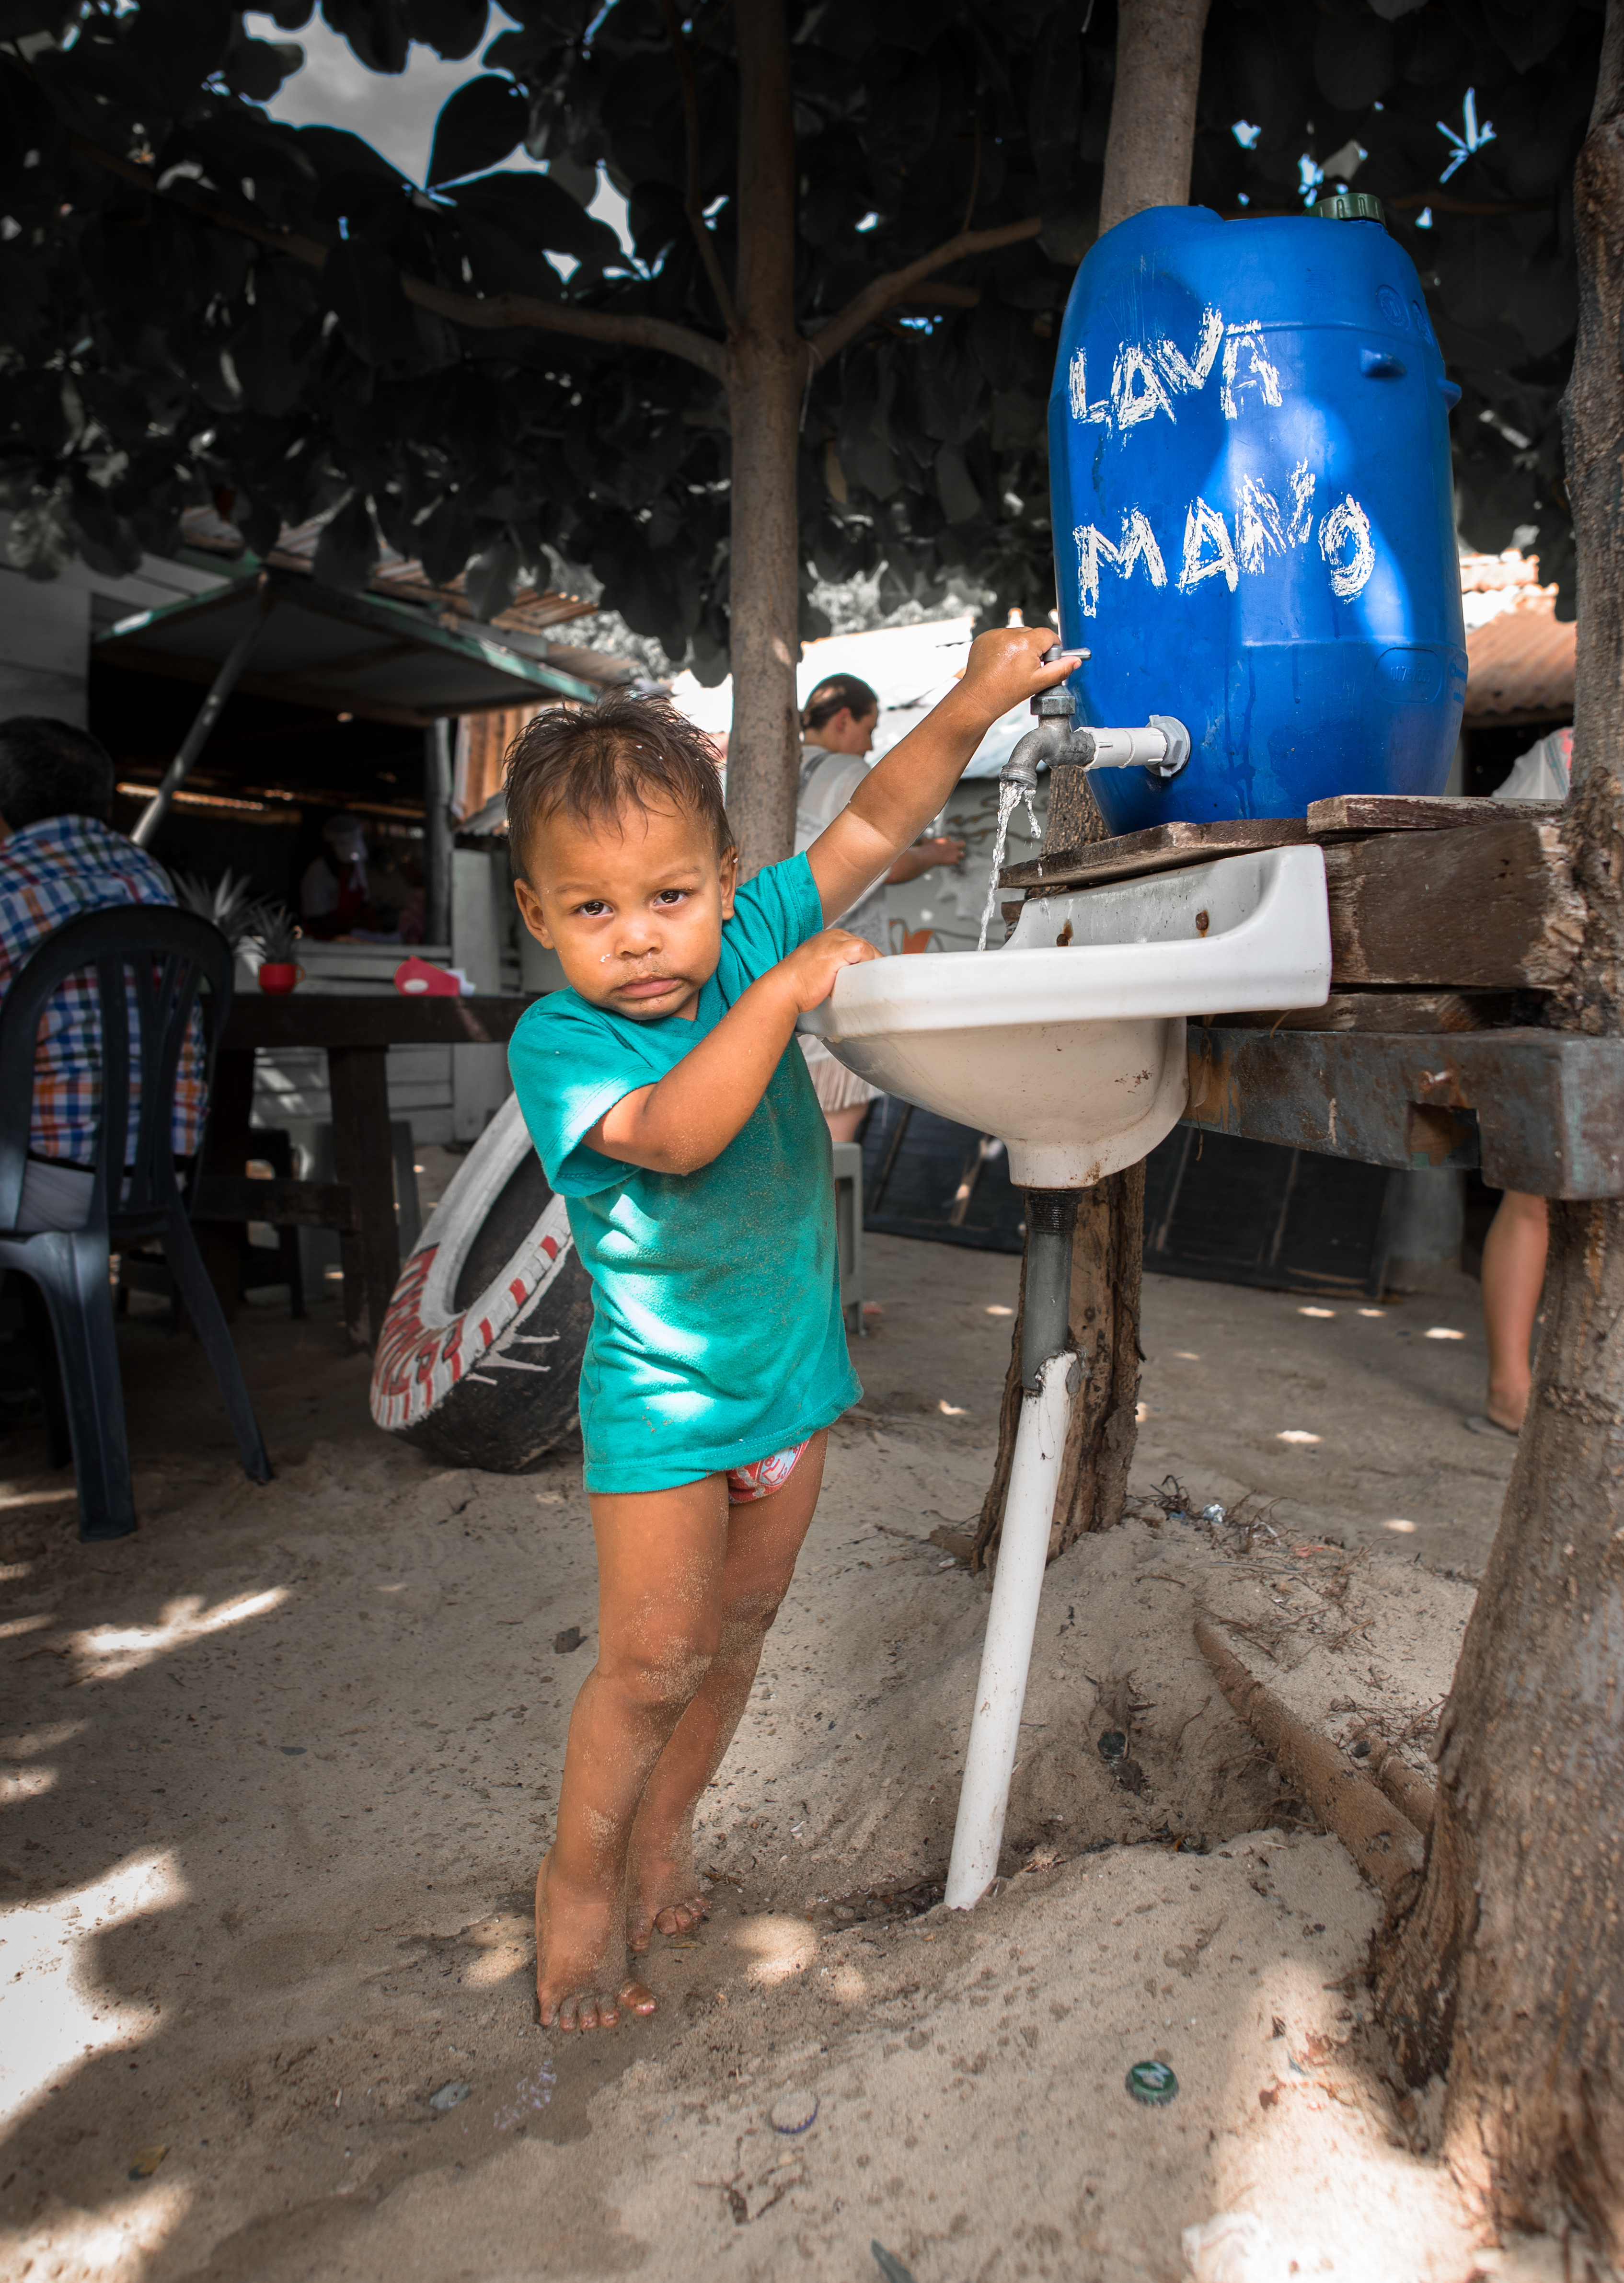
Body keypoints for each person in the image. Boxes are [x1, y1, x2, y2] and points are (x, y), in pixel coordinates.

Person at [504, 623, 1075, 2032]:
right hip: (669, 1413)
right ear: (536, 916)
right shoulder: (565, 1048)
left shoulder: (750, 928)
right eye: (593, 911)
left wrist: (975, 700)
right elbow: (686, 1135)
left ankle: (659, 1836)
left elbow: (878, 816)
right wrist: (774, 990)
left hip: (788, 1387)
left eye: (671, 895)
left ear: (718, 881)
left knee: (740, 1631)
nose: (640, 936)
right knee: (649, 1661)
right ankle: (575, 1889)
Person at [0, 716, 203, 1233]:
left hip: (30, 1184)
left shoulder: (8, 885)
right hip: (155, 1181)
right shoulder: (148, 879)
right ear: (105, 805)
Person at [793, 673, 965, 1143]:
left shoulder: (761, 770)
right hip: (835, 974)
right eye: (869, 729)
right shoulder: (846, 774)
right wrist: (934, 855)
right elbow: (878, 864)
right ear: (844, 719)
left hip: (769, 963)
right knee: (834, 1144)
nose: (869, 745)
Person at [1470, 724, 1574, 1437]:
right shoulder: (1564, 752)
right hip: (1564, 991)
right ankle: (1511, 1385)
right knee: (1532, 1191)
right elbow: (1495, 863)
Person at [299, 813, 369, 939]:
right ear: (329, 847)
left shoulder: (358, 866)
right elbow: (316, 922)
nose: (349, 866)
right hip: (321, 944)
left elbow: (364, 905)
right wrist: (358, 925)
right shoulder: (318, 872)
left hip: (351, 940)